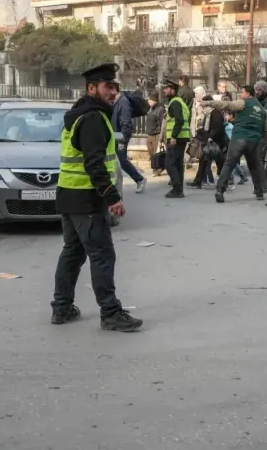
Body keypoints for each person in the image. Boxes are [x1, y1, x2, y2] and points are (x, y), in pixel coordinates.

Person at [52, 62, 142, 332]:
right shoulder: (93, 118)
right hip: (86, 199)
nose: (113, 92)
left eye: (115, 87)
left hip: (68, 196)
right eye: (107, 86)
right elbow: (94, 164)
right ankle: (111, 312)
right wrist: (112, 197)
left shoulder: (78, 113)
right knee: (102, 255)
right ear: (91, 88)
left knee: (73, 252)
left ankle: (62, 308)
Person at [201, 85, 267, 203]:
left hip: (239, 138)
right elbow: (265, 129)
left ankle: (220, 191)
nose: (240, 95)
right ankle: (259, 192)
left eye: (242, 93)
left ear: (248, 93)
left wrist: (209, 102)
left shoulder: (243, 103)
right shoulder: (262, 110)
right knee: (254, 166)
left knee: (228, 164)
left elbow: (227, 105)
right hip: (253, 141)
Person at [111, 90, 147, 194]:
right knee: (116, 161)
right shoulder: (117, 102)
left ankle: (139, 179)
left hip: (121, 137)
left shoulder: (123, 102)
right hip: (116, 136)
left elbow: (126, 123)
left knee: (122, 161)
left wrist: (122, 141)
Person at [189, 95, 226, 189]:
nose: (202, 105)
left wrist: (209, 136)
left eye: (203, 104)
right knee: (204, 161)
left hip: (216, 143)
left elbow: (217, 129)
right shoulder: (208, 113)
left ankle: (224, 182)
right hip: (211, 142)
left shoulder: (215, 113)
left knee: (220, 163)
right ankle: (198, 181)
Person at [162, 79, 191, 199]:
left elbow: (178, 120)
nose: (165, 90)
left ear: (173, 90)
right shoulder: (181, 102)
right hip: (182, 137)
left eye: (167, 88)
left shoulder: (175, 102)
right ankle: (179, 191)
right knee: (178, 164)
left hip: (176, 137)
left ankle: (176, 188)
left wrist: (173, 136)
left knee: (169, 163)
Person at [224, 110, 248, 185]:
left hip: (231, 143)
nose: (226, 116)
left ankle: (232, 178)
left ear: (231, 115)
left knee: (230, 161)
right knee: (232, 161)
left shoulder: (230, 125)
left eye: (227, 114)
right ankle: (242, 176)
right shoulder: (231, 124)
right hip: (233, 143)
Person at [144, 92, 165, 176]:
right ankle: (155, 167)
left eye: (150, 100)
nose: (148, 102)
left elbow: (162, 123)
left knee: (157, 153)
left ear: (154, 100)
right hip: (150, 134)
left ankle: (158, 168)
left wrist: (161, 136)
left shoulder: (160, 109)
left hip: (157, 134)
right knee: (151, 152)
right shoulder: (151, 109)